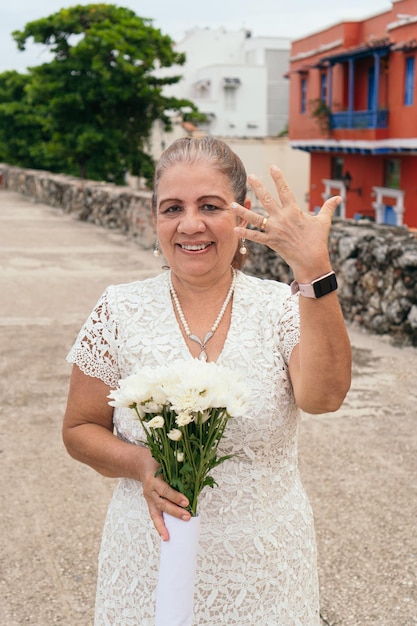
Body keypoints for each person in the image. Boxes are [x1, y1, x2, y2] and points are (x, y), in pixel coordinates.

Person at [63, 136, 351, 625]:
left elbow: (324, 398)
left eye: (210, 206)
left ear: (240, 217)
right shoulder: (119, 310)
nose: (190, 224)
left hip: (265, 570)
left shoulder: (281, 307)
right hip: (148, 560)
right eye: (172, 207)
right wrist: (140, 463)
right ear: (155, 218)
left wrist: (314, 269)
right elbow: (79, 429)